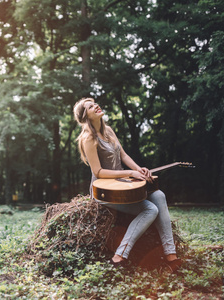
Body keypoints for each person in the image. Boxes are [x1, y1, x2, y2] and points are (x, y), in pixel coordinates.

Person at [73, 97, 181, 271]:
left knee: (159, 195)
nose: (96, 106)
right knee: (150, 209)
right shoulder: (88, 139)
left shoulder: (108, 131)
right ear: (85, 116)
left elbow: (123, 156)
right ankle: (120, 255)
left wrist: (141, 170)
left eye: (95, 103)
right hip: (105, 192)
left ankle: (171, 254)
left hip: (123, 185)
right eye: (91, 106)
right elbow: (98, 172)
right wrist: (130, 173)